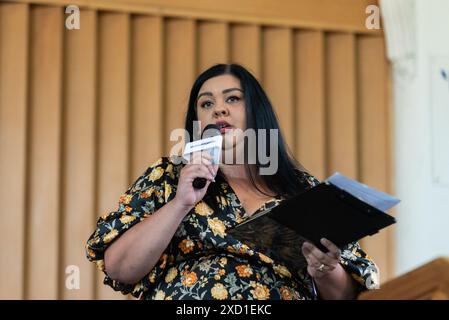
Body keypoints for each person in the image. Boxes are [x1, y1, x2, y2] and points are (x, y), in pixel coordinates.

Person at [85, 64, 379, 300]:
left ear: (256, 111)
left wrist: (324, 268)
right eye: (206, 103)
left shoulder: (302, 189)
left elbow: (348, 294)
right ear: (197, 122)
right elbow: (121, 268)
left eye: (233, 98)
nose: (219, 109)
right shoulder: (169, 175)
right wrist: (181, 203)